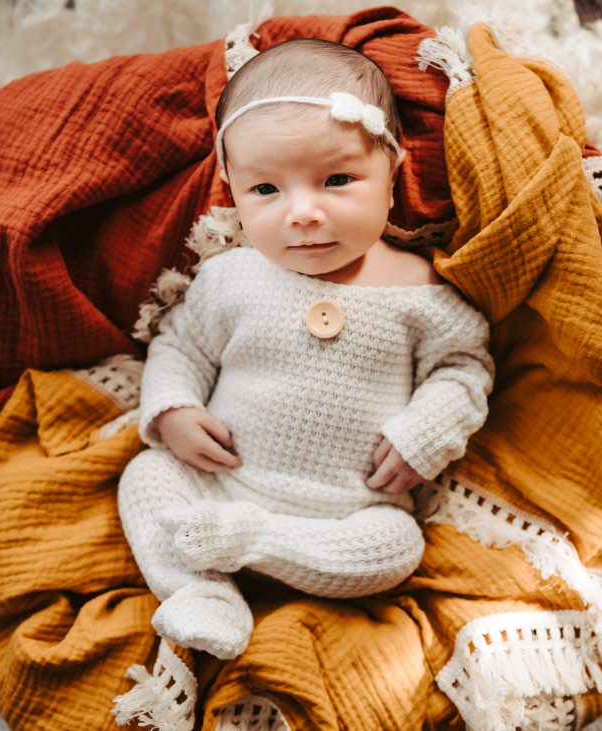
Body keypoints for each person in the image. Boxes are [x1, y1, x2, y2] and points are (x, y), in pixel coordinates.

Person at [116, 38, 494, 661]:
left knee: (397, 549)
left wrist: (426, 433)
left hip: (345, 514)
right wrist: (173, 410)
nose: (303, 213)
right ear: (233, 190)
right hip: (218, 485)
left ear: (393, 175)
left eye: (337, 180)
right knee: (146, 476)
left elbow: (463, 370)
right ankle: (203, 593)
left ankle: (254, 542)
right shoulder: (231, 277)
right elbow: (180, 347)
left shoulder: (420, 291)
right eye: (265, 189)